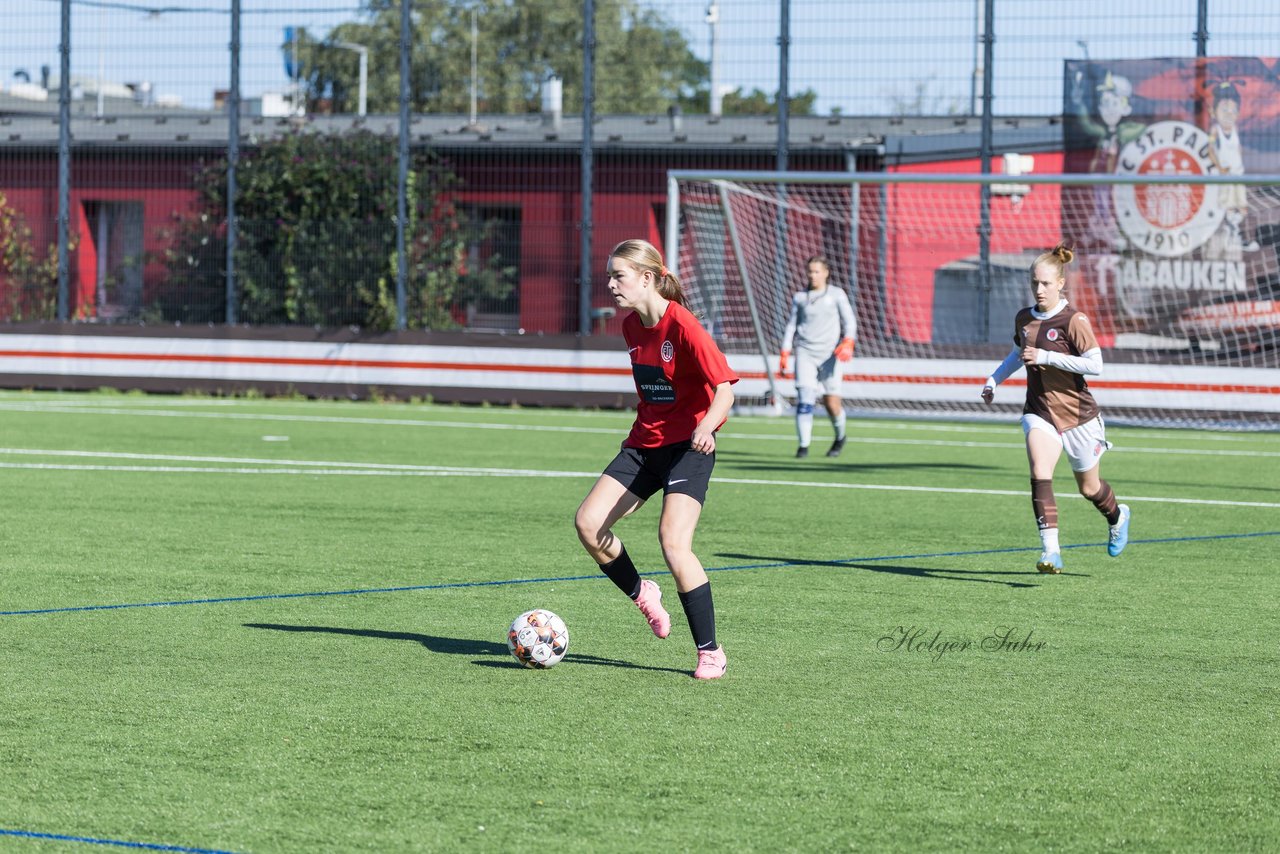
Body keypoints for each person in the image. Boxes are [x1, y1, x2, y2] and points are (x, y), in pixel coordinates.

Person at [574, 238, 738, 679]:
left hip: (689, 447)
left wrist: (706, 427)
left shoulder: (684, 326)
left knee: (673, 542)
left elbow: (725, 389)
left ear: (647, 279)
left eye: (618, 276)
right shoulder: (630, 327)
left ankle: (710, 651)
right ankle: (643, 593)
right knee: (588, 524)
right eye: (609, 276)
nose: (610, 284)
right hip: (644, 444)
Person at [980, 244, 1131, 574]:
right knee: (1039, 471)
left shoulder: (1073, 320)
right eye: (1034, 283)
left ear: (1061, 283)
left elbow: (1096, 365)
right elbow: (1018, 354)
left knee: (1089, 488)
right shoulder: (1024, 318)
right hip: (1040, 411)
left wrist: (1047, 357)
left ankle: (1118, 516)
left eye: (1046, 283)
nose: (1039, 289)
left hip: (1079, 416)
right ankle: (1051, 551)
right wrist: (994, 379)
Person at [778, 255, 857, 458]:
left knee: (831, 403)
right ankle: (803, 447)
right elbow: (792, 325)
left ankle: (840, 437)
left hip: (830, 355)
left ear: (826, 272)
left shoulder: (836, 295)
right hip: (805, 352)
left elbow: (850, 321)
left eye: (817, 271)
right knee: (805, 398)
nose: (813, 275)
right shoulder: (800, 297)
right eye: (810, 271)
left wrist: (848, 341)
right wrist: (785, 350)